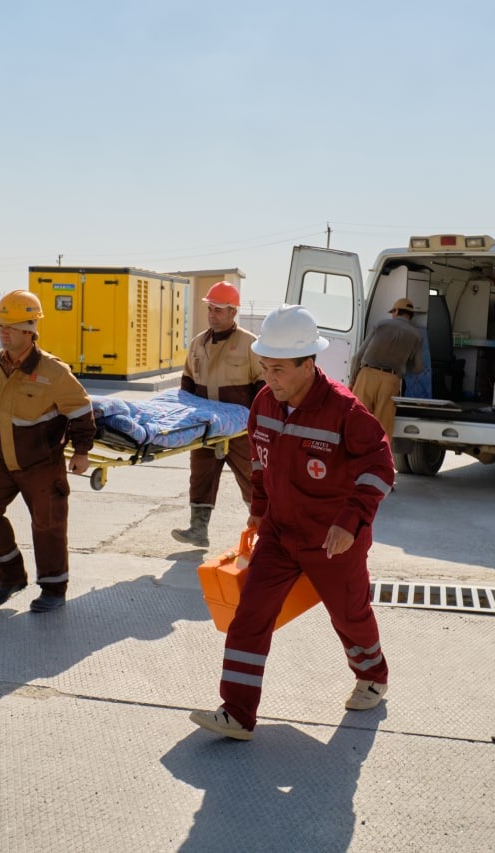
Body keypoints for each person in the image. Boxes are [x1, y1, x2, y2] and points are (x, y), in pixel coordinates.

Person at [189, 304, 395, 741]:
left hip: (334, 540)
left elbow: (380, 467)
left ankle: (372, 675)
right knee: (250, 616)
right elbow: (261, 462)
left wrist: (349, 523)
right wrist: (259, 507)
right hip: (279, 535)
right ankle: (237, 713)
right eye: (265, 367)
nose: (269, 378)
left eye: (279, 369)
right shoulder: (264, 403)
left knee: (350, 616)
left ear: (308, 364)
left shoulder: (344, 410)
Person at [0, 290, 96, 613]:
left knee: (48, 525)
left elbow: (81, 411)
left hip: (41, 463)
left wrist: (81, 452)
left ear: (29, 330)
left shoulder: (54, 372)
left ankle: (53, 589)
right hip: (2, 459)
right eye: (0, 326)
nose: (3, 332)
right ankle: (11, 577)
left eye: (10, 326)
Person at [171, 281, 265, 549]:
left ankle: (266, 532)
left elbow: (262, 385)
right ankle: (197, 529)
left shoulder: (250, 343)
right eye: (210, 309)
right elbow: (187, 381)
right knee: (201, 474)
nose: (212, 315)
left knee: (252, 477)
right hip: (206, 426)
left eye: (218, 310)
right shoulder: (197, 343)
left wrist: (257, 422)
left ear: (233, 312)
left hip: (239, 428)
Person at [349, 297, 426, 437]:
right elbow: (418, 368)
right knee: (381, 430)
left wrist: (352, 381)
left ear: (396, 311)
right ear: (410, 315)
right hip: (391, 381)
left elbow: (357, 357)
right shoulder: (417, 336)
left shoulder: (380, 325)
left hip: (367, 376)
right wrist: (403, 367)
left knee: (356, 422)